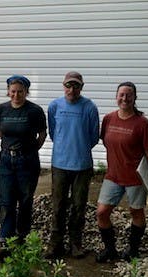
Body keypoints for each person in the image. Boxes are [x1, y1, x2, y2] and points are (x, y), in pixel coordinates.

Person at [95, 81, 148, 263]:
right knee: (102, 212)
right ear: (116, 97)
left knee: (136, 213)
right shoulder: (109, 119)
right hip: (113, 176)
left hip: (135, 178)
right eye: (121, 95)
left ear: (134, 98)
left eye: (129, 95)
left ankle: (133, 249)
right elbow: (106, 141)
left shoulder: (142, 124)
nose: (125, 98)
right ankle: (110, 250)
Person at [0, 75, 47, 260]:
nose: (16, 95)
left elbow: (42, 133)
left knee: (25, 201)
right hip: (6, 160)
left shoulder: (34, 111)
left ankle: (22, 242)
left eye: (20, 91)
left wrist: (30, 151)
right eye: (13, 91)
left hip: (27, 162)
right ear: (8, 91)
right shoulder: (2, 109)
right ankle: (6, 245)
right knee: (6, 202)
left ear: (26, 92)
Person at [44, 71, 99, 259]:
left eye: (75, 85)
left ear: (81, 87)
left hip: (82, 166)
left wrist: (79, 148)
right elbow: (53, 132)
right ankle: (55, 243)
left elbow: (93, 137)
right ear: (63, 86)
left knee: (78, 206)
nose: (71, 89)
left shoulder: (89, 107)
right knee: (58, 204)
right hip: (59, 164)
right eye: (68, 85)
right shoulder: (54, 106)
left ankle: (76, 243)